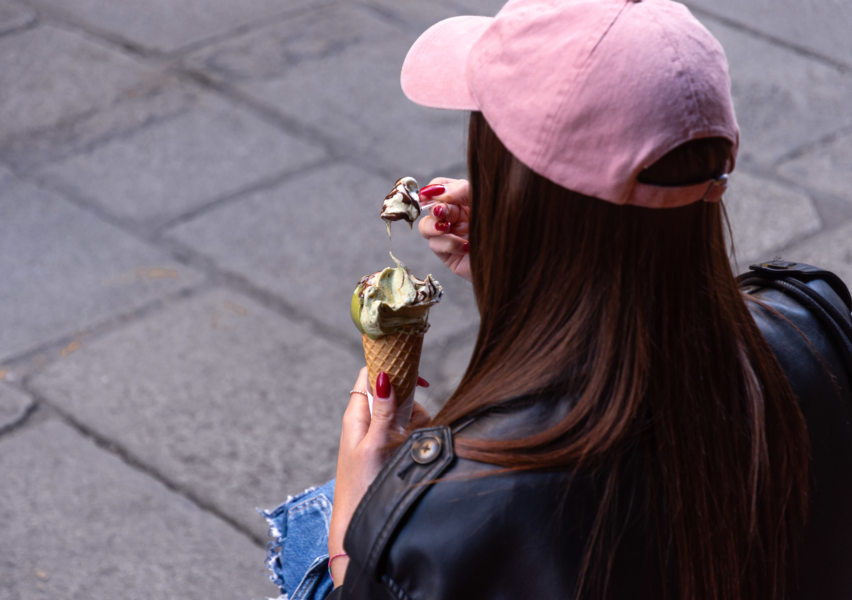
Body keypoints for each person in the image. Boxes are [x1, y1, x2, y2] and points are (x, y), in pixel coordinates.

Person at [262, 1, 852, 598]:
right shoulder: (816, 321)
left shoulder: (442, 520)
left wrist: (357, 547)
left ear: (512, 189)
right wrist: (524, 284)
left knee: (322, 516)